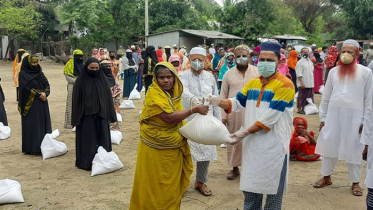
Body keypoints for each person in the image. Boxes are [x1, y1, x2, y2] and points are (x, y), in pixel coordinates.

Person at [210, 42, 295, 209]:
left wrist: (242, 133)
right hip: (252, 146)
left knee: (272, 194)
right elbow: (237, 102)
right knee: (250, 190)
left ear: (278, 62)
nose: (264, 62)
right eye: (261, 59)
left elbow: (269, 118)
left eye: (269, 60)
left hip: (274, 146)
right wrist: (217, 101)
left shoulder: (286, 84)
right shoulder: (254, 83)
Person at [129, 62, 209, 210]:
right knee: (153, 184)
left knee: (171, 187)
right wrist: (194, 110)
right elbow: (169, 118)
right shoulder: (154, 93)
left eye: (168, 77)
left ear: (174, 78)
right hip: (154, 149)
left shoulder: (175, 94)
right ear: (156, 79)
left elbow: (177, 117)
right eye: (161, 77)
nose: (165, 80)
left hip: (174, 149)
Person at [313, 39, 373, 197]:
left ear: (358, 53)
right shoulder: (333, 71)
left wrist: (364, 122)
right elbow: (326, 97)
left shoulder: (366, 72)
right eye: (344, 51)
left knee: (355, 149)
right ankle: (326, 177)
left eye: (350, 52)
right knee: (329, 146)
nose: (346, 55)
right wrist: (323, 118)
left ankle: (355, 183)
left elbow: (369, 100)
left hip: (356, 118)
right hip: (333, 116)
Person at [179, 47, 221, 196]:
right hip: (189, 119)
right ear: (189, 60)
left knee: (205, 153)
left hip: (207, 119)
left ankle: (200, 182)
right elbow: (183, 92)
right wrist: (194, 100)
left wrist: (218, 121)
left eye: (200, 60)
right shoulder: (182, 76)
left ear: (205, 61)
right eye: (194, 59)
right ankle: (182, 183)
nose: (197, 62)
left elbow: (216, 98)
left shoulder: (210, 77)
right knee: (185, 153)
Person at [220, 44, 260, 180]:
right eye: (238, 56)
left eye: (244, 56)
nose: (241, 58)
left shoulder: (257, 72)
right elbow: (223, 96)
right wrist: (223, 115)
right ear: (234, 58)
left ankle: (251, 169)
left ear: (249, 57)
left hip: (254, 112)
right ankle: (234, 168)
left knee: (252, 139)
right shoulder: (228, 74)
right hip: (234, 113)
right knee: (234, 138)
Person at [72, 57, 117, 170]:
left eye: (96, 68)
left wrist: (110, 115)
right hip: (86, 116)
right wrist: (78, 117)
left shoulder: (103, 80)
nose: (94, 70)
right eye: (91, 68)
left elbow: (108, 99)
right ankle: (87, 162)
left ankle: (104, 161)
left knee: (103, 139)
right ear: (86, 68)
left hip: (102, 116)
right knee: (89, 141)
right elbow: (76, 101)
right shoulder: (80, 81)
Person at [18, 55, 52, 154]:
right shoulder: (23, 74)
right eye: (32, 63)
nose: (35, 65)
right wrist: (38, 95)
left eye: (36, 62)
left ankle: (44, 146)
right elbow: (25, 88)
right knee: (33, 124)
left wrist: (45, 93)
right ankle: (32, 148)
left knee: (43, 123)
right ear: (28, 63)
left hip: (43, 102)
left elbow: (47, 84)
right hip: (31, 103)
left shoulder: (40, 73)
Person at [63, 49, 84, 129]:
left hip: (82, 86)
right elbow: (67, 76)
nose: (80, 59)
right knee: (70, 103)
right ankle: (69, 122)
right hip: (72, 85)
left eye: (81, 57)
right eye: (79, 57)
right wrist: (77, 81)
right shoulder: (69, 65)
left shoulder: (83, 65)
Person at [296, 48, 314, 114]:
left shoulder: (310, 62)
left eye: (307, 52)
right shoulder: (300, 62)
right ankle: (299, 109)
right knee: (302, 96)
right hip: (303, 83)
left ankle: (307, 108)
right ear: (301, 53)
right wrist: (301, 82)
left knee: (309, 96)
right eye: (304, 52)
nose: (306, 53)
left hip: (310, 83)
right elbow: (299, 73)